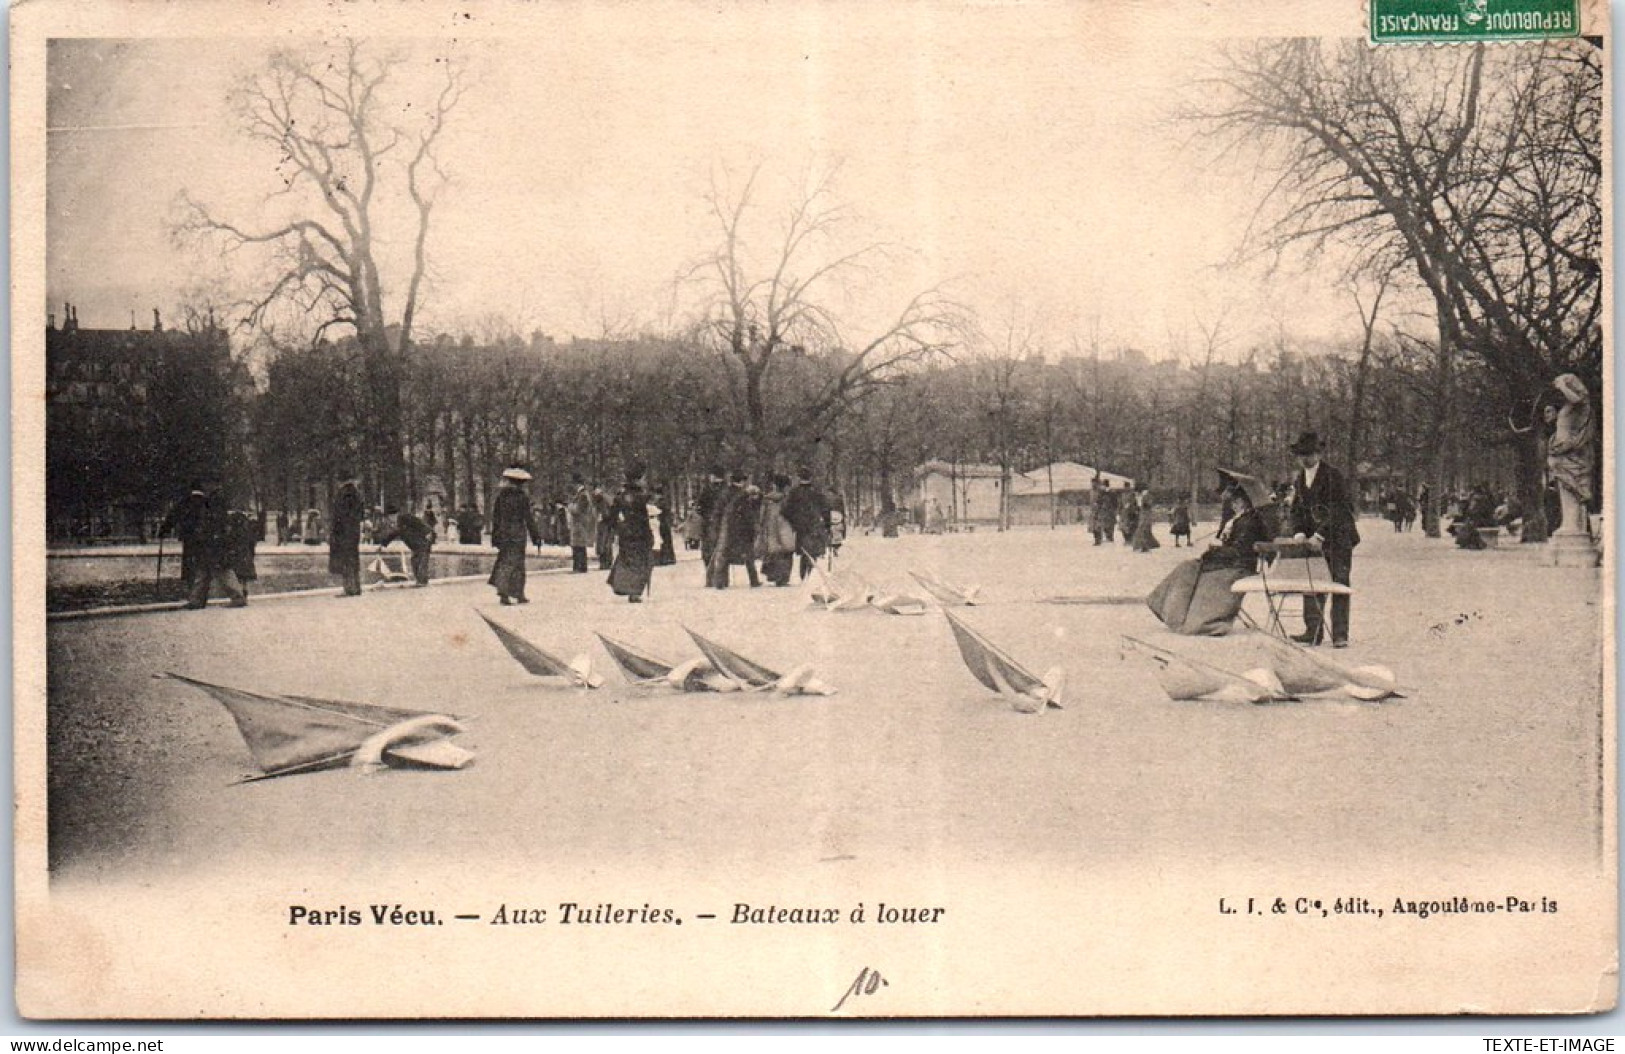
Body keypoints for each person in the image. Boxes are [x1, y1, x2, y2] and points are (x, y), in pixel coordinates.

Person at [1287, 431, 1359, 647]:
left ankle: (1340, 634)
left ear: (1319, 454)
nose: (1305, 459)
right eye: (1301, 455)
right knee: (1311, 583)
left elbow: (1340, 509)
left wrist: (1320, 535)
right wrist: (1299, 531)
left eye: (1309, 454)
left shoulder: (1333, 476)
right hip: (1312, 541)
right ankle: (1313, 631)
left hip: (1339, 538)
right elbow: (1297, 510)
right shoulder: (1300, 479)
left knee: (1339, 583)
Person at [183, 487, 248, 609]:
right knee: (205, 572)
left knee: (220, 572)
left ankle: (237, 597)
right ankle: (197, 599)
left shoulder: (213, 507)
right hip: (211, 544)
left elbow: (216, 526)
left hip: (214, 544)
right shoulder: (211, 506)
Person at [1547, 373, 1595, 537]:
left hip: (1571, 456)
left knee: (1572, 490)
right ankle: (1568, 523)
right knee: (1566, 490)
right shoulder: (1569, 406)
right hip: (1563, 455)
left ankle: (1572, 525)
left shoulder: (1580, 404)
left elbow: (1577, 399)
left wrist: (1562, 385)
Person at [488, 466, 542, 605]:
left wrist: (495, 536)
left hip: (504, 534)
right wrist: (535, 536)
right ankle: (518, 593)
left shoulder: (501, 497)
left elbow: (496, 518)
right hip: (517, 533)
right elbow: (528, 518)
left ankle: (504, 593)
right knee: (518, 564)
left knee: (505, 562)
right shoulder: (522, 497)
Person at [607, 467, 655, 603]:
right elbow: (643, 517)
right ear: (638, 479)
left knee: (627, 559)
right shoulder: (640, 495)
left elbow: (612, 515)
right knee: (640, 561)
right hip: (640, 532)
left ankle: (624, 586)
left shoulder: (622, 495)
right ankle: (634, 591)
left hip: (626, 532)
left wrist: (618, 527)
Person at [709, 472, 761, 588]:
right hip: (742, 528)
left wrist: (717, 526)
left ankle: (721, 581)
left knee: (725, 554)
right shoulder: (743, 495)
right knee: (748, 555)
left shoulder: (725, 493)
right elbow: (748, 513)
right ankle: (754, 580)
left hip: (728, 527)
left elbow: (718, 510)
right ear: (742, 481)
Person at [780, 467, 832, 580]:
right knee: (813, 552)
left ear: (799, 478)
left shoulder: (794, 492)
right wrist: (827, 525)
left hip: (801, 528)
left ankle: (804, 576)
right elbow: (826, 509)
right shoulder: (816, 492)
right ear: (811, 478)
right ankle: (810, 575)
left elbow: (785, 511)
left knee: (804, 552)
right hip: (815, 526)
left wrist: (794, 522)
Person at [160, 482, 209, 588]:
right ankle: (202, 585)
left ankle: (191, 584)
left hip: (189, 536)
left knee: (189, 561)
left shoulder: (185, 502)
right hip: (204, 537)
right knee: (202, 561)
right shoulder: (207, 502)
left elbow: (172, 516)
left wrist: (164, 530)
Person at [377, 505, 436, 586]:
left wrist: (428, 531)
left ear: (393, 515)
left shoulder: (405, 517)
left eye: (389, 517)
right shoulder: (398, 524)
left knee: (422, 562)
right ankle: (420, 581)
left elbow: (418, 522)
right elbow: (392, 535)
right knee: (414, 561)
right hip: (415, 546)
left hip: (422, 543)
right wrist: (382, 544)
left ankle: (422, 582)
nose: (390, 520)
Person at [756, 475, 798, 586]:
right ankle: (783, 577)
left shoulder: (767, 499)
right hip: (784, 525)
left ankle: (773, 574)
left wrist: (761, 525)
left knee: (773, 550)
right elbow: (792, 513)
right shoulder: (786, 499)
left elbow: (761, 515)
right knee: (786, 551)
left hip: (770, 526)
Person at [329, 477, 364, 597]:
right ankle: (356, 587)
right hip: (354, 531)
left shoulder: (343, 494)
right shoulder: (357, 494)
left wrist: (335, 532)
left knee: (345, 560)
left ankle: (349, 588)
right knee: (353, 559)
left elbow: (339, 515)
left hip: (344, 532)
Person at [697, 467, 726, 580]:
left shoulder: (707, 489)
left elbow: (699, 507)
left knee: (708, 550)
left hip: (709, 523)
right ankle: (721, 576)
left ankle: (710, 576)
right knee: (721, 550)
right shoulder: (725, 489)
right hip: (721, 523)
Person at [566, 474, 594, 573]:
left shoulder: (583, 495)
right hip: (580, 523)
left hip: (580, 523)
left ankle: (579, 567)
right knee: (578, 545)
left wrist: (569, 506)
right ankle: (580, 566)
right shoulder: (582, 494)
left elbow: (578, 509)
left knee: (579, 545)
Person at [651, 485, 677, 566]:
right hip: (665, 523)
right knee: (666, 540)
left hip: (661, 523)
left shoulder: (659, 502)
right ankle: (669, 558)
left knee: (662, 540)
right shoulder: (664, 501)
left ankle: (664, 559)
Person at [592, 484, 616, 571]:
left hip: (605, 524)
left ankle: (605, 563)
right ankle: (606, 562)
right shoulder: (607, 499)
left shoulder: (603, 500)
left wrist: (603, 516)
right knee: (605, 544)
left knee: (604, 544)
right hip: (607, 523)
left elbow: (605, 512)